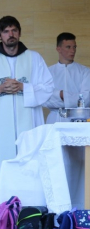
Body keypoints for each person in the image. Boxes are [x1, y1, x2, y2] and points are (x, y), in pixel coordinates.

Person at [0, 15, 54, 165]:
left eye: (14, 30)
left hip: (28, 122)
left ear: (19, 33)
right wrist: (2, 88)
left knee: (29, 162)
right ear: (0, 35)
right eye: (6, 31)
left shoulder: (34, 58)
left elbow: (48, 87)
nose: (10, 35)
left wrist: (24, 87)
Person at [43, 32, 90, 123]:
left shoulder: (85, 71)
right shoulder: (48, 72)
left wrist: (61, 95)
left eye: (74, 47)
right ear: (58, 49)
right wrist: (62, 95)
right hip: (54, 119)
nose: (73, 50)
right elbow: (45, 98)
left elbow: (87, 99)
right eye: (68, 47)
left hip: (78, 119)